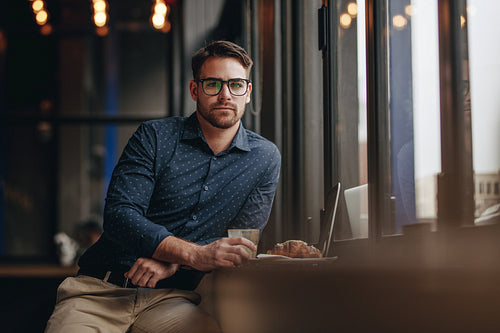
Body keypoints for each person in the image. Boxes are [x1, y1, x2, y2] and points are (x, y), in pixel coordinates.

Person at [45, 40, 281, 333]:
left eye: (235, 85)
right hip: (100, 290)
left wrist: (173, 262)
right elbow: (120, 216)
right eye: (212, 84)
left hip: (171, 299)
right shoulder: (155, 137)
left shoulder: (265, 158)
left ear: (248, 92)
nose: (224, 95)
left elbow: (239, 246)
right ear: (195, 90)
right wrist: (193, 255)